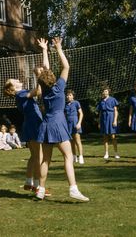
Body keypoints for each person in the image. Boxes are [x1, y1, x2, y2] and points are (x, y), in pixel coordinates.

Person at [34, 37, 89, 202]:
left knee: (45, 159)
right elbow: (66, 66)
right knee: (68, 156)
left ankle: (41, 190)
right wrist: (58, 48)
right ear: (52, 77)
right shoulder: (59, 87)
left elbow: (45, 69)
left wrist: (44, 49)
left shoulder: (43, 88)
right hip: (58, 123)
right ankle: (73, 188)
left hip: (46, 123)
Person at [4, 62, 43, 193]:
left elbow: (38, 92)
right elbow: (38, 91)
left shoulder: (21, 94)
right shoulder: (20, 94)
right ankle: (38, 186)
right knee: (39, 156)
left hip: (30, 124)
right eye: (14, 80)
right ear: (13, 88)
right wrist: (39, 76)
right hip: (33, 124)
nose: (17, 79)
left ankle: (28, 182)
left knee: (33, 156)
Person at [97, 87, 120, 160]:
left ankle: (116, 153)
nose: (105, 92)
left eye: (106, 91)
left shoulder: (113, 99)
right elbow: (100, 113)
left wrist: (115, 120)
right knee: (105, 137)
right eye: (103, 91)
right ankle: (106, 153)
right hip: (104, 119)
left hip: (111, 118)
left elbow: (116, 111)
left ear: (108, 92)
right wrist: (99, 122)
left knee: (113, 136)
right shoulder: (101, 102)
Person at [65, 89, 84, 164]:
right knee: (71, 142)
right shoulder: (65, 105)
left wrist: (79, 123)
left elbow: (81, 114)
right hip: (68, 125)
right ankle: (74, 156)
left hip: (75, 124)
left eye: (70, 95)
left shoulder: (76, 103)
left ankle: (81, 156)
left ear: (73, 96)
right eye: (67, 95)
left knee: (78, 141)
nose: (68, 96)